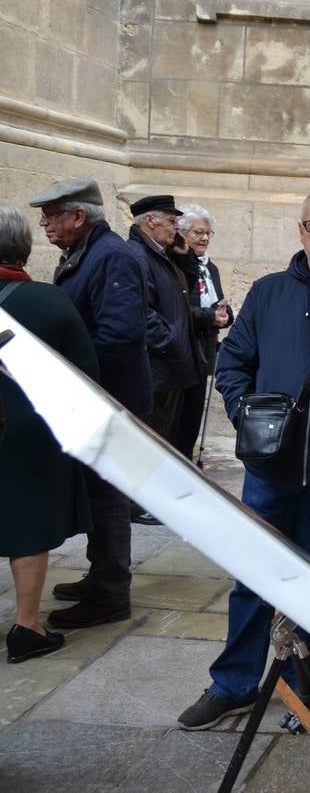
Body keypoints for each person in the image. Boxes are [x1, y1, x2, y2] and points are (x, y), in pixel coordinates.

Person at [177, 187, 310, 731]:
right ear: (301, 231)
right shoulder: (269, 293)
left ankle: (301, 679)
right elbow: (234, 363)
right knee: (254, 576)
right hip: (268, 468)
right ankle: (234, 682)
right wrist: (244, 412)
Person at [29, 178, 151, 630]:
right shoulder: (88, 252)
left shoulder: (111, 256)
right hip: (95, 394)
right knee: (100, 494)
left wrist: (68, 369)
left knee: (107, 496)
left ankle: (110, 594)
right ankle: (101, 576)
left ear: (79, 216)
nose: (44, 224)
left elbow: (119, 336)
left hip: (108, 398)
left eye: (52, 215)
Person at [0, 205, 99, 662]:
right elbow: (85, 373)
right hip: (29, 433)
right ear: (23, 247)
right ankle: (27, 627)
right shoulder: (50, 300)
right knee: (27, 527)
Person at [126, 194, 197, 524]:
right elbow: (142, 312)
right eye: (171, 221)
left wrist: (185, 256)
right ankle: (137, 502)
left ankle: (149, 498)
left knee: (162, 437)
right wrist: (170, 342)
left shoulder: (162, 255)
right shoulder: (138, 256)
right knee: (149, 437)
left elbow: (186, 291)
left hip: (171, 366)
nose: (176, 228)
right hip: (157, 367)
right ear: (150, 221)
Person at [169, 203, 232, 461]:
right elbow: (177, 311)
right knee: (175, 420)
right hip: (181, 353)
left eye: (208, 233)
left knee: (192, 418)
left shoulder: (210, 268)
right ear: (182, 234)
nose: (205, 238)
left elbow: (219, 304)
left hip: (204, 353)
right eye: (198, 232)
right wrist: (210, 317)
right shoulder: (176, 266)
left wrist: (225, 316)